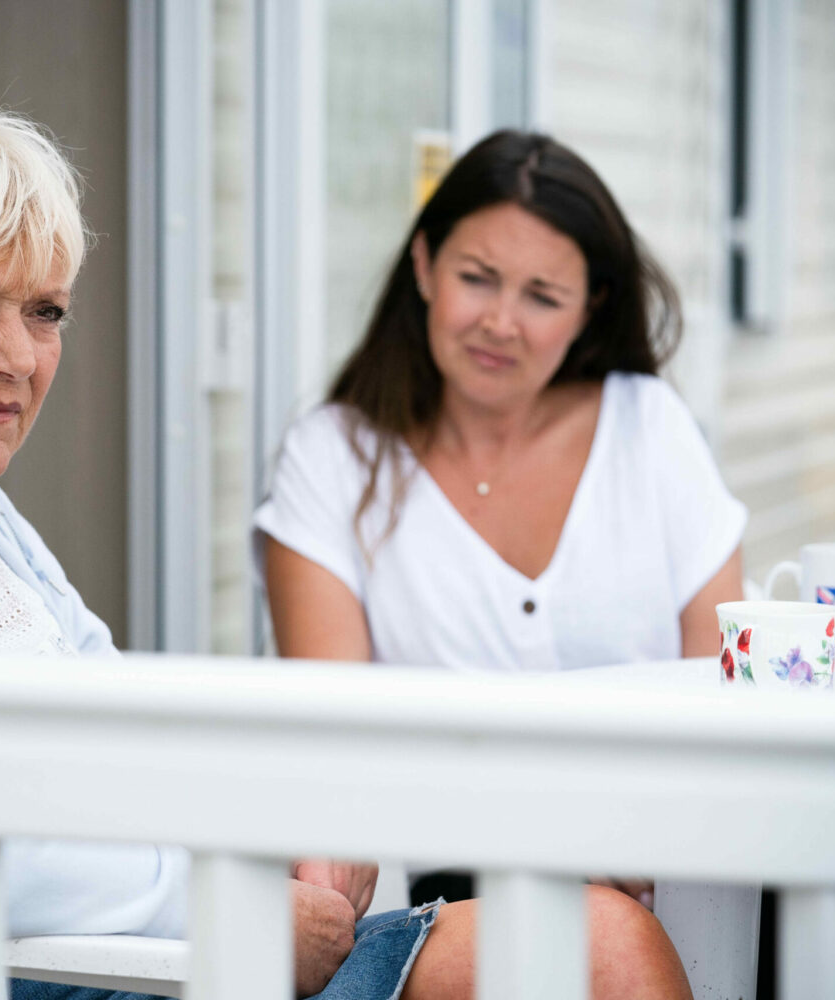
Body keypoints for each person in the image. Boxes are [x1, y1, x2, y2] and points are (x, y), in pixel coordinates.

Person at [0, 95, 685, 1000]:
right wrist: (235, 906)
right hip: (46, 974)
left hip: (143, 956)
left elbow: (128, 733)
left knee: (598, 942)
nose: (18, 355)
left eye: (44, 311)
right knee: (599, 949)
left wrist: (299, 824)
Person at [255, 131, 746, 911]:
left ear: (592, 309)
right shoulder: (332, 459)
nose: (501, 323)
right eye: (478, 278)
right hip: (445, 905)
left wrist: (643, 832)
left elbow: (722, 697)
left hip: (668, 874)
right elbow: (335, 737)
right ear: (423, 265)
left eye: (542, 296)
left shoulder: (651, 430)